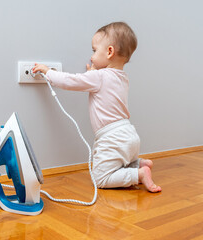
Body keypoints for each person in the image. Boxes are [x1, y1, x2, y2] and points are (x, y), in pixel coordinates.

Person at [32, 22, 161, 193]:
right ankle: (138, 163)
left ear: (109, 52)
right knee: (118, 162)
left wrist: (48, 72)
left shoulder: (99, 77)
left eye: (94, 51)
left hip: (112, 138)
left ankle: (140, 173)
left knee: (101, 178)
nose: (92, 56)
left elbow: (72, 81)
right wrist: (92, 74)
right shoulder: (122, 77)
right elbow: (101, 86)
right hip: (129, 134)